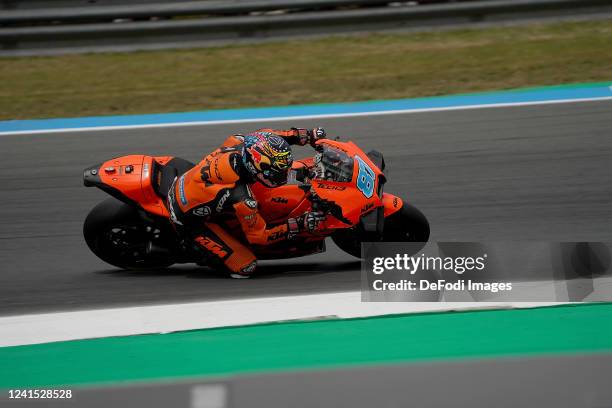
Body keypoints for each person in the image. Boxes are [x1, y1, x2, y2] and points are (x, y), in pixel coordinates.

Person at [167, 127, 327, 278]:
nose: (284, 174)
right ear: (256, 167)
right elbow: (259, 237)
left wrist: (306, 134)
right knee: (246, 266)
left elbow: (270, 135)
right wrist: (300, 224)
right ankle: (199, 251)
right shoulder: (242, 197)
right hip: (187, 218)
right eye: (278, 172)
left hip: (190, 180)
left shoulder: (242, 142)